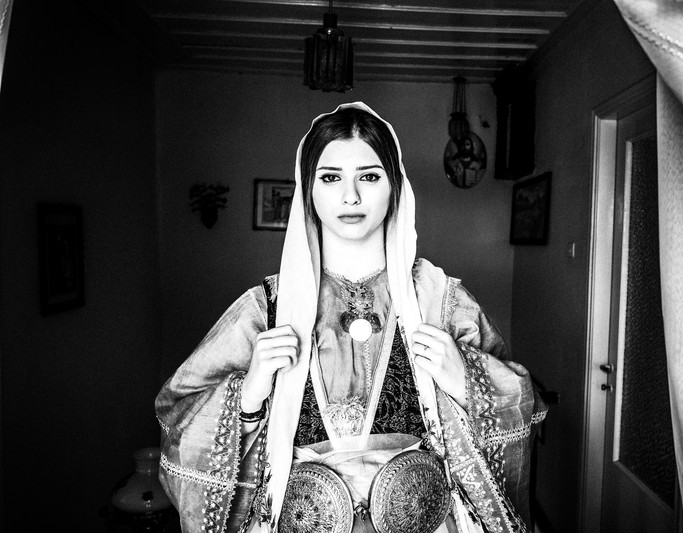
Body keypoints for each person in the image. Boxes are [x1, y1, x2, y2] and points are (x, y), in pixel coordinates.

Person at [155, 102, 547, 533]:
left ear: (395, 185)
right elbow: (177, 415)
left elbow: (524, 403)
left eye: (369, 176)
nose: (351, 196)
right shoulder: (265, 308)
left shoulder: (441, 300)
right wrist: (245, 398)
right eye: (331, 177)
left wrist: (467, 382)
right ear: (308, 189)